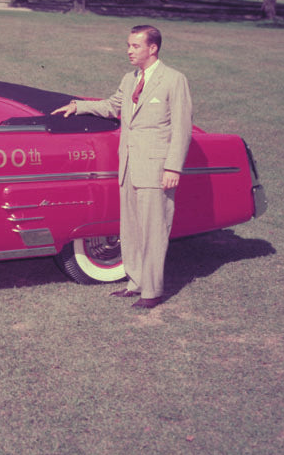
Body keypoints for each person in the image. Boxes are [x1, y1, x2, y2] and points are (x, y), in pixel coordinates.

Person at [51, 25, 192, 309]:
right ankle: (136, 282)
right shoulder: (130, 79)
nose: (129, 51)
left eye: (135, 46)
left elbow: (182, 128)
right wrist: (78, 107)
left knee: (153, 230)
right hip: (128, 168)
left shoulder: (174, 80)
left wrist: (173, 168)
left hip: (156, 169)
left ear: (153, 48)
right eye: (128, 45)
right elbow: (113, 106)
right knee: (130, 230)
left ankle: (152, 291)